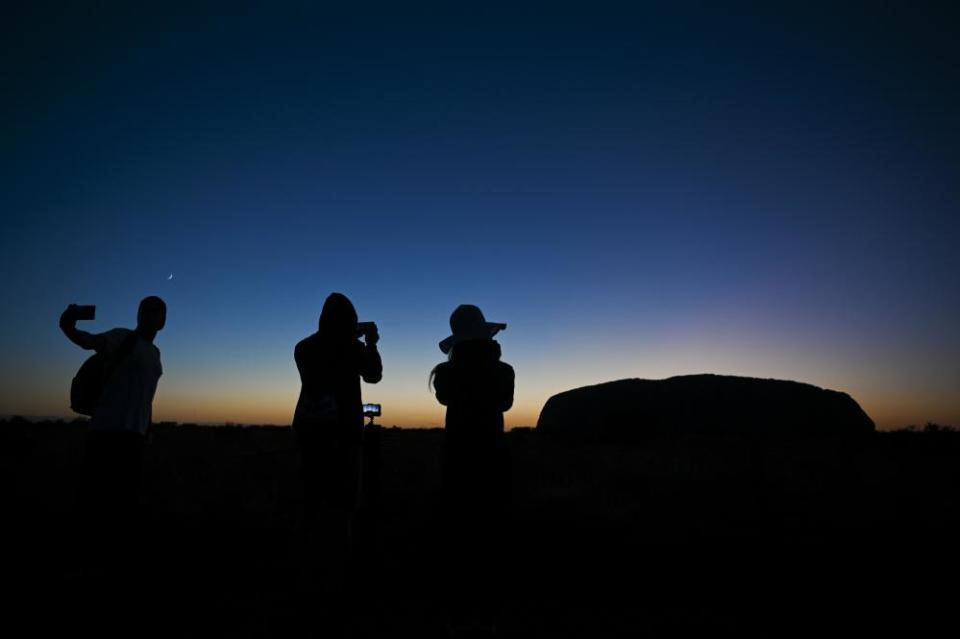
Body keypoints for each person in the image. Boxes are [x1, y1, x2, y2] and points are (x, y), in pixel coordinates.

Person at [59, 296, 166, 609]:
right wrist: (68, 326)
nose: (151, 317)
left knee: (122, 502)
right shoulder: (122, 337)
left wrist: (147, 426)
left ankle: (112, 565)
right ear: (140, 315)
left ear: (162, 321)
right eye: (147, 310)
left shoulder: (156, 353)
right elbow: (88, 342)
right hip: (107, 431)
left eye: (157, 313)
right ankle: (80, 562)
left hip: (133, 435)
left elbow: (146, 395)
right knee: (93, 499)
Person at [292, 292, 382, 612]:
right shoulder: (353, 349)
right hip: (345, 434)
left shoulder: (303, 348)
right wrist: (370, 342)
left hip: (310, 433)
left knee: (311, 504)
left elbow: (324, 354)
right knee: (344, 506)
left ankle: (307, 575)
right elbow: (373, 374)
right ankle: (339, 577)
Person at [430, 304, 514, 636]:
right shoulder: (503, 371)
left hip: (458, 456)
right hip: (492, 455)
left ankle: (457, 608)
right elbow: (504, 402)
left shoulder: (447, 373)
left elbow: (445, 397)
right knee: (491, 531)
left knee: (458, 531)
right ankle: (489, 609)